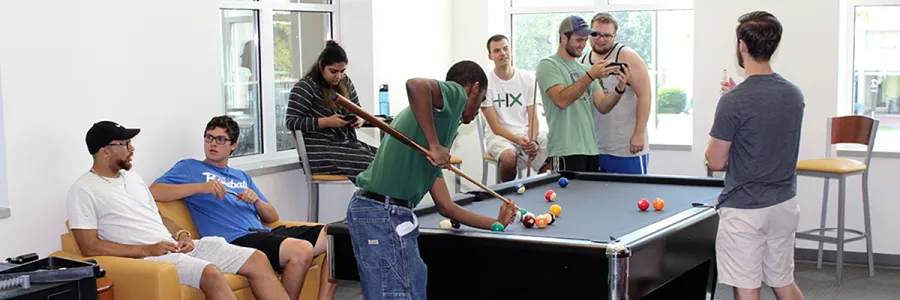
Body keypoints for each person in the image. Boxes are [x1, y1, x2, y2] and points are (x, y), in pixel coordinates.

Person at [347, 60, 518, 299]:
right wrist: (435, 145)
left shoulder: (435, 137)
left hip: (382, 212)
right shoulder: (457, 94)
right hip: (382, 212)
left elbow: (447, 207)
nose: (480, 108)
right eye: (481, 99)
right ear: (473, 88)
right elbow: (415, 85)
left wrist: (496, 223)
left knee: (412, 287)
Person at [67, 121, 289, 300]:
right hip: (146, 258)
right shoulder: (84, 189)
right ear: (105, 150)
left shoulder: (133, 179)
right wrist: (147, 250)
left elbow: (159, 217)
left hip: (173, 246)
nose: (132, 148)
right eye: (125, 144)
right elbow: (89, 246)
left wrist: (182, 234)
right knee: (210, 272)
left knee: (257, 258)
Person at [149, 116, 336, 300]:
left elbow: (271, 216)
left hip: (262, 232)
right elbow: (153, 192)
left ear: (233, 145)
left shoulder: (241, 176)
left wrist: (256, 201)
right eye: (209, 137)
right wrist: (200, 187)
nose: (213, 143)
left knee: (334, 236)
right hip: (235, 239)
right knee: (301, 250)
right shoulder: (190, 167)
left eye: (221, 139)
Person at [706, 11, 805, 300]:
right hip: (784, 205)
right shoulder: (793, 94)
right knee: (784, 283)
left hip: (745, 211)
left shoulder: (733, 103)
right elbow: (766, 129)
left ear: (742, 46)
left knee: (748, 290)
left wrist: (731, 102)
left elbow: (715, 161)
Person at [535, 15, 630, 172]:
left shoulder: (585, 70)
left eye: (585, 40)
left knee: (590, 197)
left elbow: (603, 106)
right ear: (564, 37)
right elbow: (561, 100)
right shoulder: (548, 65)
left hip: (591, 150)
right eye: (579, 40)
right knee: (566, 197)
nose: (583, 45)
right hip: (564, 150)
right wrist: (591, 75)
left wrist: (620, 87)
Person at [285, 40, 377, 183]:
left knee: (384, 159)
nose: (338, 76)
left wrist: (359, 120)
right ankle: (379, 202)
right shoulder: (305, 87)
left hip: (346, 145)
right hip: (319, 152)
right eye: (333, 71)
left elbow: (358, 110)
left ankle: (387, 202)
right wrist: (327, 122)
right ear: (321, 66)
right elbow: (292, 122)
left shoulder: (345, 82)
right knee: (373, 166)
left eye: (342, 71)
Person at [579, 12, 652, 174]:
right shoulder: (583, 61)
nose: (601, 39)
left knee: (632, 197)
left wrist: (639, 133)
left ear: (615, 35)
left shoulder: (627, 56)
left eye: (607, 35)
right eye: (596, 34)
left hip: (626, 148)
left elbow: (645, 95)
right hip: (597, 147)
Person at [481, 34, 550, 182]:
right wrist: (519, 140)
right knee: (508, 157)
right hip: (499, 135)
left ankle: (541, 188)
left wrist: (532, 140)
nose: (503, 53)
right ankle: (508, 195)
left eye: (506, 49)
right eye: (497, 50)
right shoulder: (486, 83)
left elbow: (533, 118)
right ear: (490, 56)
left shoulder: (527, 79)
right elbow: (495, 126)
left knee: (551, 145)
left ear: (511, 51)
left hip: (526, 132)